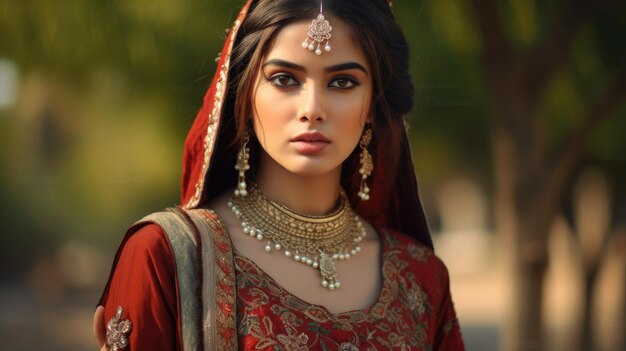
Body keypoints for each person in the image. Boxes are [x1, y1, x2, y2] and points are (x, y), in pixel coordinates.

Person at [94, 0, 465, 349]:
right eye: (285, 79)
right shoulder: (167, 257)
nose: (312, 109)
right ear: (243, 94)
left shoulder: (421, 278)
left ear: (372, 104)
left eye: (343, 82)